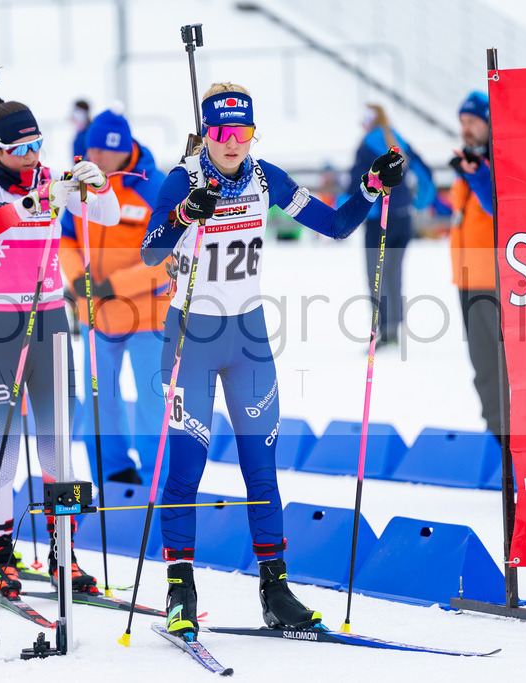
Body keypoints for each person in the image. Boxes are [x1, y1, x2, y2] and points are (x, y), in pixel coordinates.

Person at [141, 83, 404, 638]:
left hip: (248, 339)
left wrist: (371, 187)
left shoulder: (266, 178)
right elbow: (151, 249)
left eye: (243, 132)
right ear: (207, 132)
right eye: (221, 132)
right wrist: (188, 213)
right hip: (191, 337)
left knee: (261, 466)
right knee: (187, 468)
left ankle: (274, 588)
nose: (233, 142)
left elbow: (334, 226)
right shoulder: (183, 177)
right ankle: (180, 589)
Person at [0, 98, 120, 598]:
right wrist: (35, 201)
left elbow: (109, 216)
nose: (32, 158)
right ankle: (0, 554)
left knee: (57, 448)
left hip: (50, 319)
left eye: (37, 145)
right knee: (3, 453)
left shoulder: (52, 176)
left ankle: (62, 555)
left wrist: (98, 184)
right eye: (21, 149)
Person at [59, 105, 170, 486]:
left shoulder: (155, 188)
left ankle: (162, 478)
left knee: (153, 404)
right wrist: (78, 282)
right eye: (94, 151)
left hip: (148, 316)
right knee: (99, 401)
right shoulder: (82, 186)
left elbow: (169, 258)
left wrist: (114, 285)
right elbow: (67, 240)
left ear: (127, 149)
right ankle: (114, 474)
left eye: (108, 151)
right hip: (97, 316)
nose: (99, 158)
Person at [346, 103, 434, 348]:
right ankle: (393, 327)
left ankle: (383, 329)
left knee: (376, 275)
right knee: (394, 274)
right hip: (402, 217)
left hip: (378, 219)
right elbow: (426, 174)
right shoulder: (398, 141)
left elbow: (354, 184)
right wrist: (418, 203)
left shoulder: (365, 148)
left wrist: (349, 214)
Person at [449, 90, 503, 442]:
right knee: (483, 368)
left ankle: (513, 445)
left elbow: (497, 207)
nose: (466, 129)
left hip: (496, 282)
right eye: (463, 122)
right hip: (468, 281)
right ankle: (497, 437)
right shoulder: (470, 164)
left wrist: (478, 176)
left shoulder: (497, 163)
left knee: (503, 369)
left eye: (473, 121)